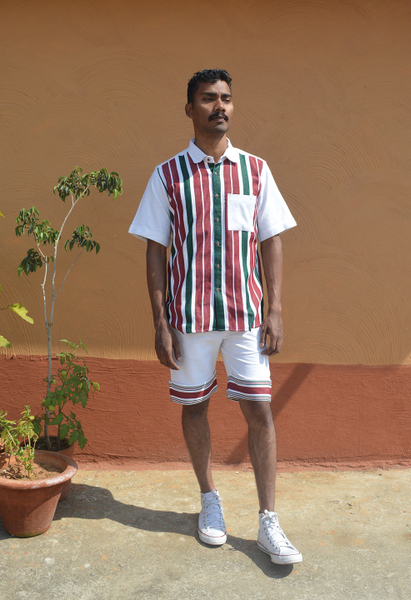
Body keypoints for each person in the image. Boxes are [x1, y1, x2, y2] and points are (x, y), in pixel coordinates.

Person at [129, 69, 302, 565]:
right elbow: (155, 249)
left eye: (226, 98)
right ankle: (209, 499)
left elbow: (271, 240)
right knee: (195, 407)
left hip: (246, 317)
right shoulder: (167, 176)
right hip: (188, 319)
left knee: (260, 411)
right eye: (208, 98)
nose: (219, 106)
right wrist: (160, 321)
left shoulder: (256, 171)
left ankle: (268, 521)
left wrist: (275, 310)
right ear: (190, 109)